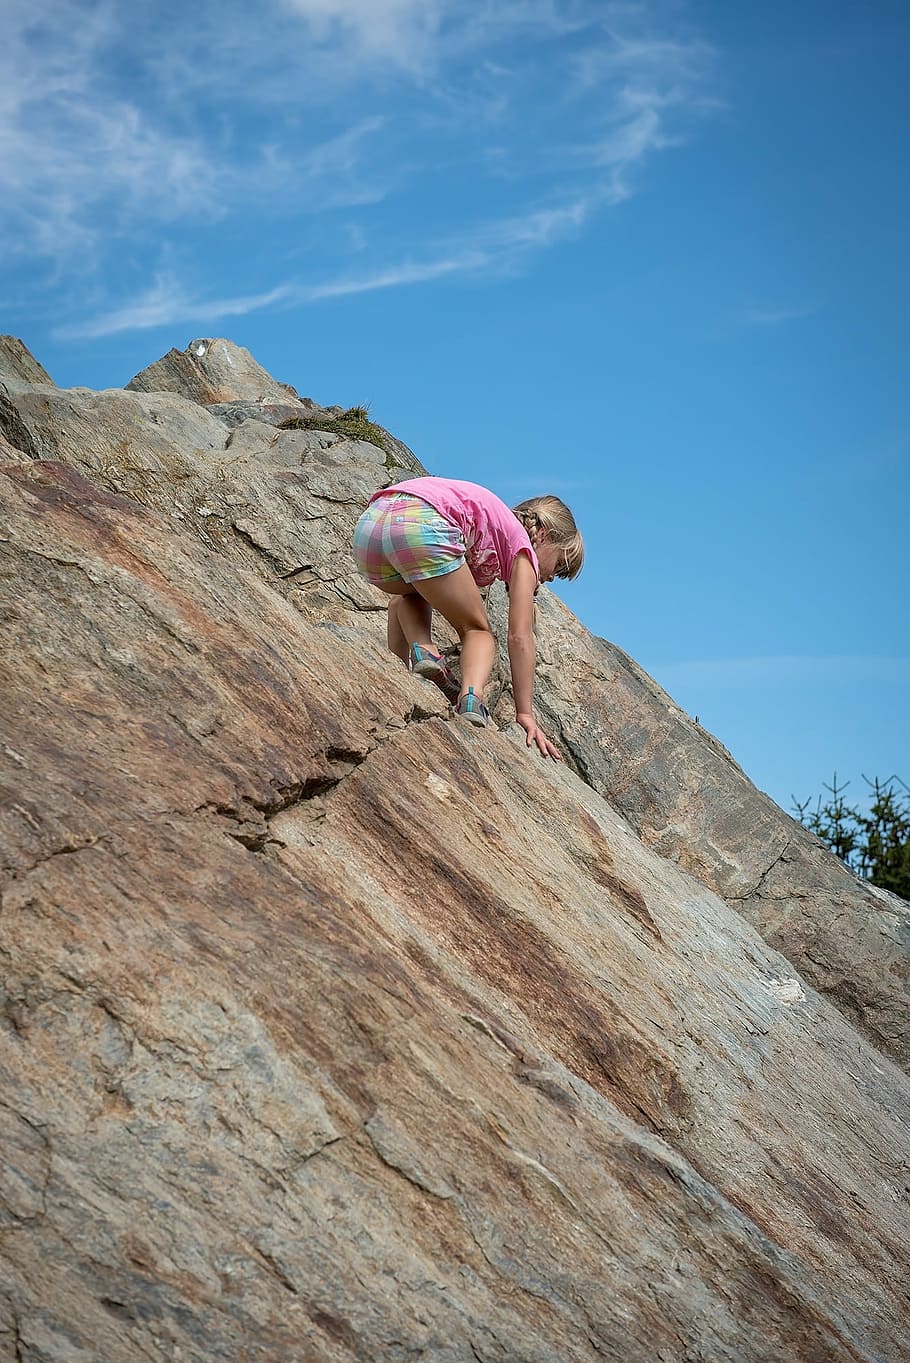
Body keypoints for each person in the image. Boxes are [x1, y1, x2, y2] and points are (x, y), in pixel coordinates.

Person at [351, 476, 583, 759]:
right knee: (478, 631)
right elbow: (520, 636)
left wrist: (395, 670)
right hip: (424, 522)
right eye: (559, 564)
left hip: (371, 527)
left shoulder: (491, 527)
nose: (549, 578)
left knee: (412, 591)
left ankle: (420, 654)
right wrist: (525, 712)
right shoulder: (522, 548)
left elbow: (396, 604)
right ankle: (471, 699)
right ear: (543, 535)